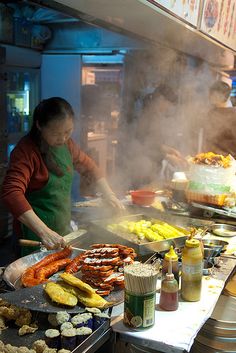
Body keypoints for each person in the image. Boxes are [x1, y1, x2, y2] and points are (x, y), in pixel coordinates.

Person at [1, 97, 124, 256]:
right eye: (56, 133)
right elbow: (11, 193)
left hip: (61, 231)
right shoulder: (25, 152)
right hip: (34, 236)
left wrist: (110, 195)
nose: (63, 138)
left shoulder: (68, 145)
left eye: (68, 132)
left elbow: (90, 168)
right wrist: (44, 232)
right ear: (39, 125)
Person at [128, 84, 188, 188]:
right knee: (143, 194)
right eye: (168, 103)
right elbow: (144, 145)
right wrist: (168, 157)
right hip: (143, 168)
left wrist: (169, 150)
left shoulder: (156, 114)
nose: (169, 107)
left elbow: (154, 142)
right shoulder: (147, 115)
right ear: (161, 99)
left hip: (152, 166)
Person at [203, 81, 236, 157]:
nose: (209, 96)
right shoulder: (210, 113)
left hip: (228, 162)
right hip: (213, 159)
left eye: (211, 94)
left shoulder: (233, 114)